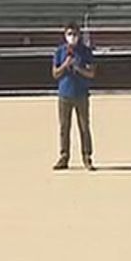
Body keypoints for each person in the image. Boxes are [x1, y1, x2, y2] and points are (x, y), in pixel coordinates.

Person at [51, 22, 95, 171]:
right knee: (64, 127)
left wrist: (78, 67)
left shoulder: (86, 52)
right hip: (64, 94)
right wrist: (65, 65)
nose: (72, 37)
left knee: (84, 127)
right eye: (69, 34)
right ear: (65, 35)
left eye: (75, 34)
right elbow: (55, 74)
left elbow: (91, 73)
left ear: (79, 35)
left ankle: (87, 157)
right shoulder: (60, 51)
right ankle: (64, 156)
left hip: (81, 94)